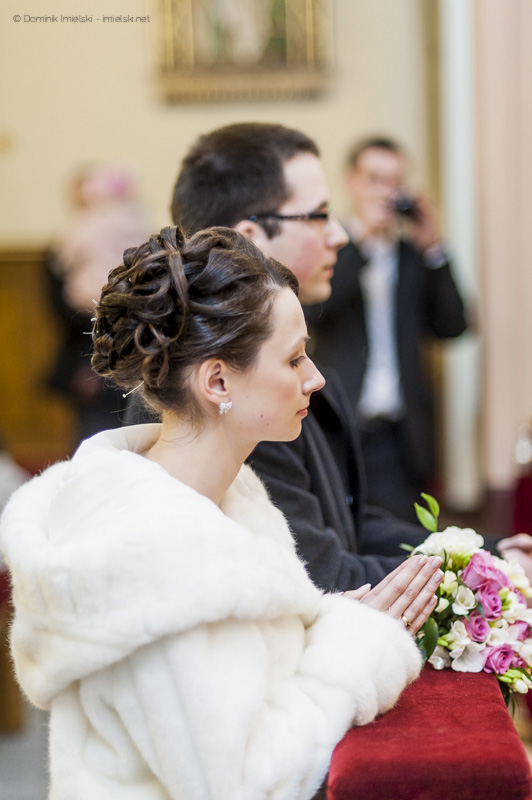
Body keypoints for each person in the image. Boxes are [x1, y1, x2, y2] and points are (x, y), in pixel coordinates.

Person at [0, 225, 439, 799]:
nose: (315, 377)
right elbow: (244, 783)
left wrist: (326, 624)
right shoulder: (154, 552)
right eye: (294, 359)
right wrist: (360, 651)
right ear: (218, 380)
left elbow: (242, 674)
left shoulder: (228, 493)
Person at [126, 122, 428, 591]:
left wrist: (479, 556)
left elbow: (348, 523)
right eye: (319, 215)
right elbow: (321, 576)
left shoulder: (265, 382)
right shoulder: (236, 400)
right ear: (250, 237)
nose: (340, 235)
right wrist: (474, 577)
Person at [306, 136, 468, 522]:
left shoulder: (412, 257)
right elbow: (314, 313)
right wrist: (361, 241)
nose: (385, 192)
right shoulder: (327, 252)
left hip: (401, 434)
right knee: (339, 530)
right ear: (351, 181)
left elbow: (453, 325)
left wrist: (433, 247)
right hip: (340, 424)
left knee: (400, 538)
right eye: (375, 180)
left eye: (394, 182)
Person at [46, 164, 149, 443]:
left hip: (118, 346)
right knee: (108, 432)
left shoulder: (81, 232)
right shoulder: (132, 225)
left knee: (112, 432)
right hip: (103, 348)